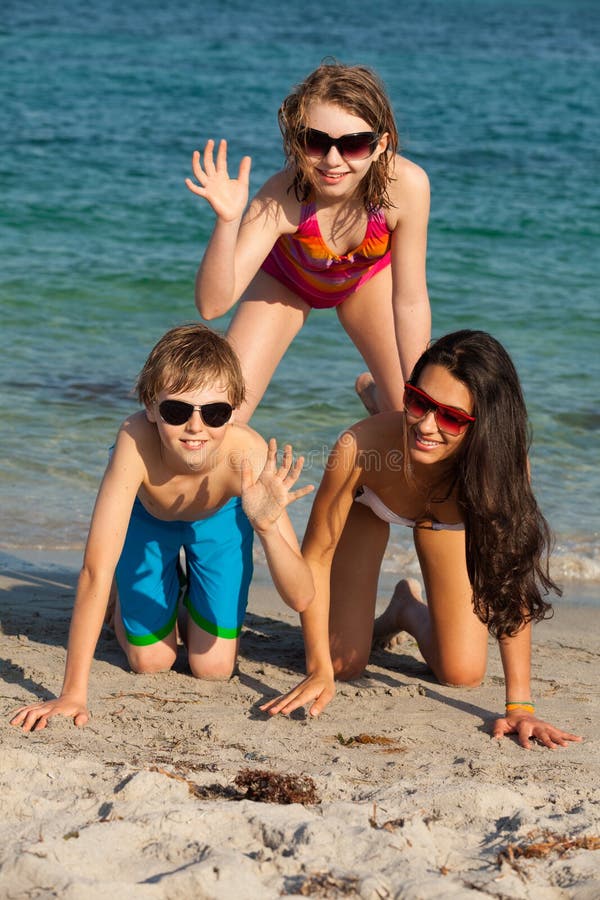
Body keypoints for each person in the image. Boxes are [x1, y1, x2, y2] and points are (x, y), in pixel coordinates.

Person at [261, 330, 582, 751]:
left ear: (484, 425)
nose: (428, 423)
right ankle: (385, 405)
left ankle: (405, 610)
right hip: (371, 501)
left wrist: (519, 704)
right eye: (419, 400)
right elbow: (316, 557)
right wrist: (318, 667)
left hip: (446, 514)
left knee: (462, 673)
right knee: (345, 664)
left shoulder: (501, 468)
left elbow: (508, 575)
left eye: (450, 416)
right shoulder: (356, 446)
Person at [10, 324, 314, 732]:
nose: (195, 427)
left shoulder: (248, 455)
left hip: (219, 523)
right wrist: (73, 693)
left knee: (213, 668)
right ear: (151, 407)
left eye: (215, 412)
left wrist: (267, 526)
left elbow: (301, 597)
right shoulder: (134, 442)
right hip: (148, 521)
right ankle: (133, 599)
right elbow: (94, 570)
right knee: (151, 661)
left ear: (235, 409)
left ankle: (186, 595)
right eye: (176, 410)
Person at [185, 61, 431, 423]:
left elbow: (410, 301)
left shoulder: (408, 186)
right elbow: (211, 305)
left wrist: (418, 393)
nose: (333, 161)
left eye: (354, 145)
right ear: (296, 139)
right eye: (315, 142)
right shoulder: (281, 196)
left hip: (365, 281)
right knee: (222, 417)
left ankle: (381, 394)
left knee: (411, 417)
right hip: (287, 282)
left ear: (381, 145)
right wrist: (227, 221)